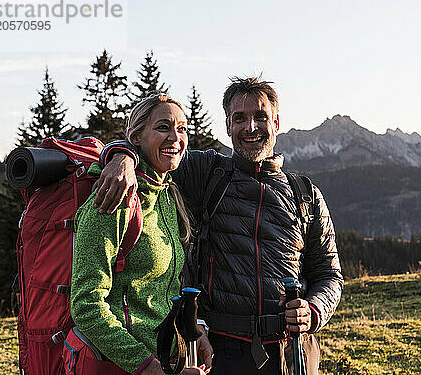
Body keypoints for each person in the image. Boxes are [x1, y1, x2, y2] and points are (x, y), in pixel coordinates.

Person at [95, 77, 343, 374]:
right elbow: (155, 147)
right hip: (220, 351)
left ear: (276, 122)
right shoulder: (207, 171)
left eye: (260, 117)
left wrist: (313, 311)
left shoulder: (305, 193)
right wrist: (120, 157)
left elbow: (330, 274)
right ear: (228, 126)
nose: (250, 127)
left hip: (293, 349)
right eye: (240, 118)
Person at [67, 94, 212, 375]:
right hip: (124, 365)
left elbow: (161, 292)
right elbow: (86, 306)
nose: (175, 137)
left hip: (169, 359)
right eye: (163, 127)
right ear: (136, 137)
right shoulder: (114, 198)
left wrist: (193, 331)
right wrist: (148, 368)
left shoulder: (167, 195)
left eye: (182, 128)